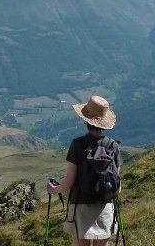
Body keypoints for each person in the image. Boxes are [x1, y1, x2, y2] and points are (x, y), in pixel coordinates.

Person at [47, 95, 121, 246]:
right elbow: (116, 179)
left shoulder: (78, 144)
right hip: (106, 204)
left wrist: (54, 190)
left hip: (81, 203)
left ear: (86, 120)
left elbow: (69, 183)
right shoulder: (113, 146)